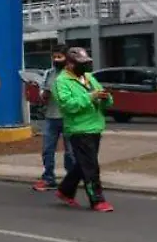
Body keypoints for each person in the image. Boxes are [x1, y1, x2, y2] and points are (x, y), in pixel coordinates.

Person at [53, 47, 115, 212]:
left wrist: (105, 97)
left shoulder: (89, 77)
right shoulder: (62, 81)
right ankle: (97, 199)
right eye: (82, 63)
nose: (86, 66)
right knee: (91, 166)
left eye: (87, 63)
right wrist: (91, 96)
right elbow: (68, 105)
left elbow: (102, 95)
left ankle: (65, 190)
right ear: (71, 64)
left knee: (84, 163)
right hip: (79, 128)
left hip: (95, 126)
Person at [34, 46, 77, 192]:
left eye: (60, 57)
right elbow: (42, 96)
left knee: (70, 152)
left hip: (68, 118)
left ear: (66, 58)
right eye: (54, 57)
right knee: (47, 149)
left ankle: (71, 179)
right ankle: (48, 178)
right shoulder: (49, 73)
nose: (56, 60)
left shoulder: (72, 73)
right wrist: (45, 94)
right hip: (51, 117)